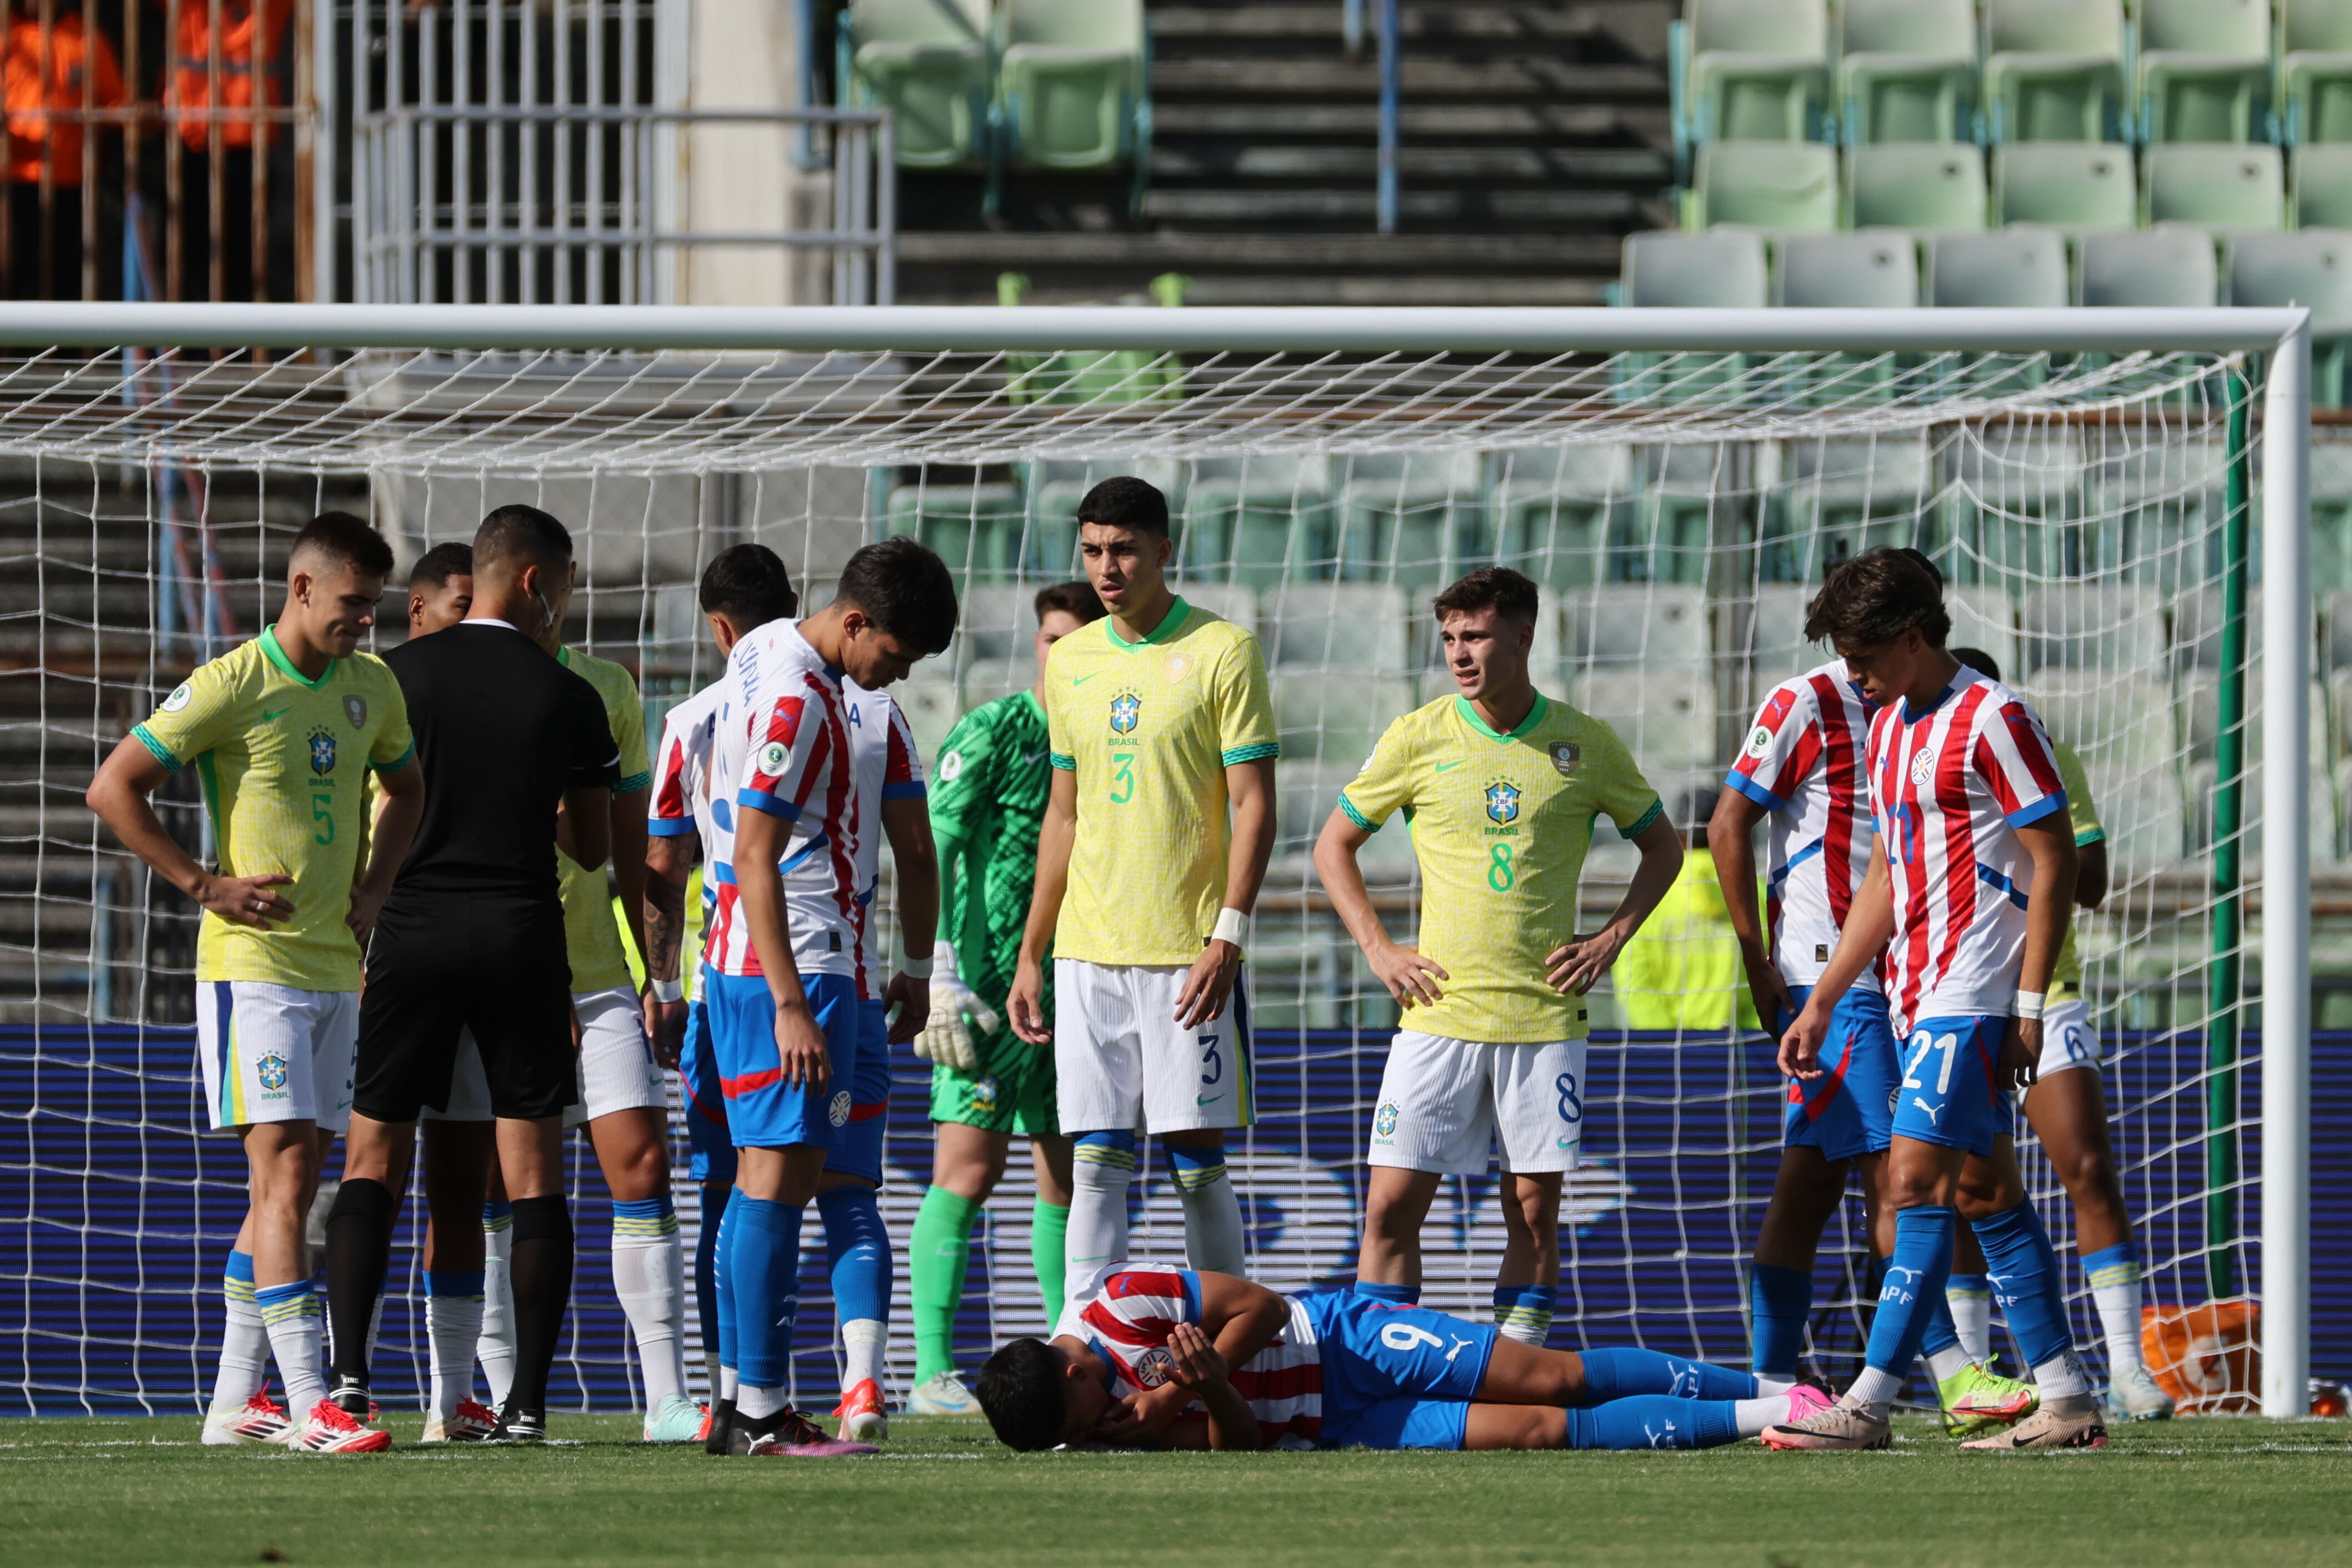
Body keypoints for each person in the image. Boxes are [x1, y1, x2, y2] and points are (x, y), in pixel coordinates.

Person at [86, 511, 420, 1455]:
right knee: (280, 1178)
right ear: (303, 588)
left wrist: (376, 887)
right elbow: (114, 786)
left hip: (332, 967)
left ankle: (235, 1403)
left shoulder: (372, 685)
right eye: (354, 603)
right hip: (253, 970)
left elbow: (409, 787)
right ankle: (315, 1400)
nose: (366, 619)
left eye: (374, 605)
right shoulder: (233, 681)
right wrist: (206, 883)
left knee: (296, 1181)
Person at [1762, 548, 2105, 1452]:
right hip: (1913, 989)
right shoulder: (1887, 728)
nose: (1854, 673)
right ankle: (2066, 1396)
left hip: (1977, 986)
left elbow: (2055, 857)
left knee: (1912, 1178)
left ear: (1913, 635)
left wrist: (2027, 1002)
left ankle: (1867, 1403)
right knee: (1985, 1191)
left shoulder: (1995, 716)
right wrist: (1825, 997)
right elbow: (1884, 874)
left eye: (1864, 654)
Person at [1315, 566, 1683, 1345]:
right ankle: (1385, 1373)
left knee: (1532, 1210)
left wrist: (1612, 936)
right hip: (1437, 1009)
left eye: (1474, 635)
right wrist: (1378, 948)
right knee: (1387, 1207)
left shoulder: (1583, 742)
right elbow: (1333, 844)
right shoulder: (1417, 735)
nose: (1457, 652)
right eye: (1448, 636)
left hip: (1542, 1012)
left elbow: (1663, 846)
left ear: (1521, 636)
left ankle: (1514, 1376)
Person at [322, 503, 621, 1446]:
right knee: (531, 1176)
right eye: (566, 584)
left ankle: (352, 1383)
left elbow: (367, 803)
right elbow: (589, 845)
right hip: (520, 934)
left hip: (408, 932)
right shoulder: (567, 693)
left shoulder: (392, 676)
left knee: (372, 1160)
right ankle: (526, 1402)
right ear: (535, 580)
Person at [400, 534, 699, 1444]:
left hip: (592, 968)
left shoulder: (602, 690)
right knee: (481, 1182)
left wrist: (661, 969)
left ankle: (666, 1397)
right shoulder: (425, 683)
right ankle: (478, 1390)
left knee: (639, 1162)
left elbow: (636, 841)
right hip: (476, 960)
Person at [1713, 594, 2035, 1436]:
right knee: (1894, 1174)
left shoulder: (1924, 708)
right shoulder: (1804, 701)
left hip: (1905, 973)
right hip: (1836, 970)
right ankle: (1944, 1375)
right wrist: (1761, 961)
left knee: (1816, 1183)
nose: (1854, 661)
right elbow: (1725, 823)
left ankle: (1775, 1389)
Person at [704, 537, 956, 1456]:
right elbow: (754, 852)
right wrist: (790, 1001)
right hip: (799, 961)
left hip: (757, 957)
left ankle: (741, 1399)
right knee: (778, 1181)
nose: (890, 677)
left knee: (763, 1184)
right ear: (855, 622)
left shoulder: (758, 651)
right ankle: (763, 1412)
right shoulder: (808, 696)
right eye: (891, 655)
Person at [1006, 477, 1277, 1306]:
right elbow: (1062, 815)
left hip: (1186, 953)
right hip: (1089, 951)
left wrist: (1226, 933)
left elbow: (1255, 802)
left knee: (1195, 1163)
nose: (1106, 567)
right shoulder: (1074, 661)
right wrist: (1031, 951)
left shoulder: (1223, 649)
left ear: (1164, 549)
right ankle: (1084, 1340)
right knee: (1093, 1163)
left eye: (1123, 549)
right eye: (1091, 550)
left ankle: (1228, 1349)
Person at [1946, 647, 2173, 1423]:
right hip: (1952, 1003)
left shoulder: (2040, 751)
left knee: (2084, 1163)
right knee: (1968, 1187)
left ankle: (2126, 1368)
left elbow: (2096, 880)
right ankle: (1977, 1373)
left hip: (2045, 998)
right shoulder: (1908, 755)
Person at [906, 578, 1104, 1416]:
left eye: (1075, 642)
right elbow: (937, 845)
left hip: (1077, 984)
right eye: (1049, 640)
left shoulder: (1105, 741)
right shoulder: (995, 729)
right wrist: (941, 967)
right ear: (1035, 645)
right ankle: (929, 1372)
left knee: (1067, 1175)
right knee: (969, 1167)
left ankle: (1071, 1350)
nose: (1060, 655)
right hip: (986, 988)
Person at [973, 1266, 1832, 1453]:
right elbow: (1238, 1449)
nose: (1091, 1435)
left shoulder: (1123, 1301)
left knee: (1554, 1375)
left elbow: (1265, 1307)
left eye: (1085, 1418)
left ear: (1077, 1370)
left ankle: (1780, 1390)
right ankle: (1785, 1419)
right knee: (1538, 1430)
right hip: (1331, 1423)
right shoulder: (1090, 1429)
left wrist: (1205, 1368)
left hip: (1339, 1336)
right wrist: (1196, 1399)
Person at [643, 544, 798, 1434]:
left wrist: (661, 981)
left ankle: (727, 1391)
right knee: (815, 1187)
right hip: (817, 975)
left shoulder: (691, 719)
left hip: (715, 985)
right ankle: (778, 1397)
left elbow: (664, 861)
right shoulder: (849, 700)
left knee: (726, 1190)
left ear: (719, 627)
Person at [819, 659, 941, 1443]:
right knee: (848, 1193)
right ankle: (862, 1381)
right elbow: (918, 854)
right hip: (855, 990)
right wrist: (922, 969)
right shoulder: (879, 714)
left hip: (741, 987)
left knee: (743, 1194)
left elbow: (664, 856)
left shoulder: (707, 711)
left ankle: (738, 1390)